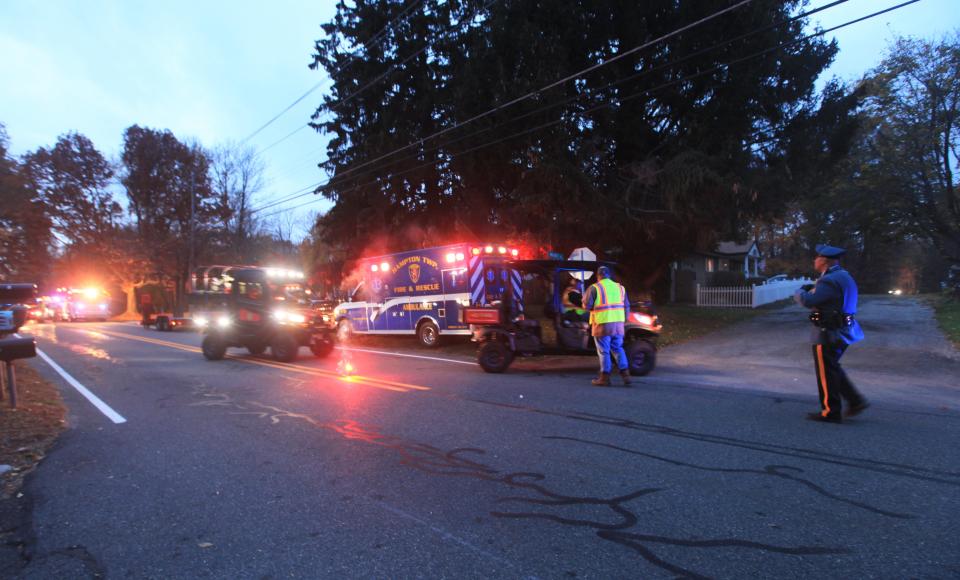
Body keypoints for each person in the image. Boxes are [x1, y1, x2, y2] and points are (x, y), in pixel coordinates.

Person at [794, 244, 869, 423]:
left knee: (826, 372)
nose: (814, 260)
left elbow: (809, 300)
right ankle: (855, 401)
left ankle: (830, 411)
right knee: (832, 367)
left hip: (828, 332)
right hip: (844, 330)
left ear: (824, 261)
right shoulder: (844, 276)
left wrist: (799, 291)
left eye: (817, 258)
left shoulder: (828, 280)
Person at [583, 265, 631, 386]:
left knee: (604, 351)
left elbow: (586, 306)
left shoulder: (595, 288)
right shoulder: (620, 288)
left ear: (598, 276)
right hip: (618, 325)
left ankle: (604, 377)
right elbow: (627, 306)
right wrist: (623, 320)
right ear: (609, 275)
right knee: (618, 348)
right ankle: (626, 375)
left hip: (602, 325)